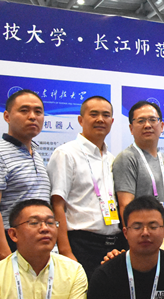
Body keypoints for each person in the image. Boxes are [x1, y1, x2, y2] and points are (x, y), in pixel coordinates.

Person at [47, 96, 127, 280]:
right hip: (81, 245)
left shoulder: (111, 159)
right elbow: (57, 205)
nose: (100, 119)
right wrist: (66, 252)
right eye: (94, 114)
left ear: (112, 121)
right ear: (80, 120)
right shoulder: (66, 154)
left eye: (106, 115)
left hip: (113, 246)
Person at [0, 89, 51, 267]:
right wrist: (5, 256)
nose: (32, 116)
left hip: (39, 242)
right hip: (10, 243)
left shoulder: (36, 154)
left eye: (38, 112)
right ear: (7, 116)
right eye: (24, 110)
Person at [113, 100, 164, 228]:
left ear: (162, 126)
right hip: (143, 236)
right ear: (131, 128)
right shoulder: (127, 158)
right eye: (141, 121)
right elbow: (125, 206)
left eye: (152, 120)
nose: (147, 125)